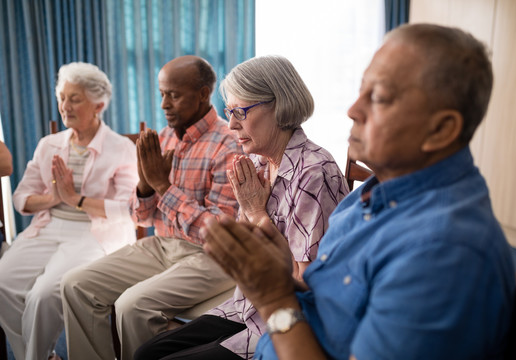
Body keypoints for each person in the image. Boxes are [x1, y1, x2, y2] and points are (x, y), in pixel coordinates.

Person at [200, 24, 516, 360]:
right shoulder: (371, 194)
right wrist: (273, 271)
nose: (353, 109)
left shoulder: (442, 250)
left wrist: (274, 297)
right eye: (360, 90)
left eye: (378, 97)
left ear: (440, 129)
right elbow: (329, 292)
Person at [134, 55, 350, 360]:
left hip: (286, 321)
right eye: (229, 112)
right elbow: (242, 247)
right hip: (244, 306)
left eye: (240, 112)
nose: (232, 124)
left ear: (279, 105)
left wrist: (257, 213)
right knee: (146, 353)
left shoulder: (314, 171)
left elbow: (306, 281)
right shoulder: (258, 163)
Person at [61, 55, 243, 360]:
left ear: (203, 94)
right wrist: (146, 187)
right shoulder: (162, 137)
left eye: (173, 95)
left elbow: (219, 233)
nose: (164, 105)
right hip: (162, 245)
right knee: (75, 285)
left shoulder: (229, 144)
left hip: (214, 257)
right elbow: (141, 216)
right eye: (161, 94)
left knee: (132, 305)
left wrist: (162, 186)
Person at [0, 62, 138, 360]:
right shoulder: (49, 144)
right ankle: (37, 357)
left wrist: (75, 198)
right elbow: (22, 197)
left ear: (98, 104)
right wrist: (53, 198)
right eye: (62, 97)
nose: (65, 106)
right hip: (48, 226)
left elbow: (128, 208)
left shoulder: (121, 148)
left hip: (94, 233)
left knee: (44, 294)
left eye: (75, 99)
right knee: (2, 284)